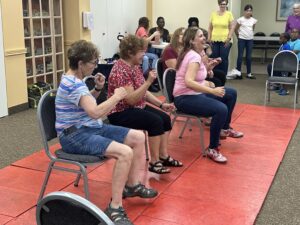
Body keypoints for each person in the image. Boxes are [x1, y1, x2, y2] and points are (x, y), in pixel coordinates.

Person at [55, 40, 157, 225]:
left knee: (138, 137)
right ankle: (115, 207)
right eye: (93, 63)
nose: (95, 66)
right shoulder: (73, 84)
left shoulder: (76, 80)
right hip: (73, 136)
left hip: (90, 127)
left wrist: (97, 89)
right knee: (125, 152)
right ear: (80, 63)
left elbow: (85, 105)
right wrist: (117, 96)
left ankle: (132, 185)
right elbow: (95, 112)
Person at [107, 35, 183, 174]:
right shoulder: (120, 70)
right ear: (130, 53)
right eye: (141, 51)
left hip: (135, 106)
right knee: (155, 122)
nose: (144, 55)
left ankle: (163, 156)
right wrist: (148, 82)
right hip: (120, 112)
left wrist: (161, 105)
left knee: (165, 118)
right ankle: (154, 163)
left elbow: (143, 92)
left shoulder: (134, 66)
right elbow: (131, 99)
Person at [173, 27, 243, 163]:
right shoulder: (193, 56)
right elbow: (188, 81)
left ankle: (224, 128)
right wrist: (212, 90)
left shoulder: (195, 54)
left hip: (195, 93)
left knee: (231, 94)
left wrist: (209, 71)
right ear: (192, 41)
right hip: (184, 98)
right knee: (220, 109)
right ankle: (212, 148)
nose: (204, 38)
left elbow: (196, 78)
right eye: (200, 36)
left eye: (203, 36)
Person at [207, 0, 236, 76]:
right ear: (219, 4)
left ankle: (223, 76)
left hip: (225, 40)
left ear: (226, 5)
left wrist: (228, 38)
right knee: (214, 59)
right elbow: (210, 28)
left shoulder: (229, 14)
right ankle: (215, 75)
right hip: (214, 40)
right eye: (221, 4)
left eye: (224, 4)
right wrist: (209, 38)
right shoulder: (213, 14)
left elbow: (232, 27)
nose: (223, 5)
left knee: (223, 59)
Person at [229, 4, 257, 79]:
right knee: (240, 56)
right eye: (247, 10)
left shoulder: (253, 20)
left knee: (248, 57)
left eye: (250, 10)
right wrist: (238, 36)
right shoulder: (240, 19)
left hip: (250, 40)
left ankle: (249, 73)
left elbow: (252, 29)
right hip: (242, 39)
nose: (249, 12)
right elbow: (235, 29)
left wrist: (249, 35)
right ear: (244, 11)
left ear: (251, 12)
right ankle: (238, 73)